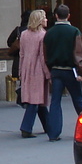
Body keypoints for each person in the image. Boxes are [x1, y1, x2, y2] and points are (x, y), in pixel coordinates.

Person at [43, 4, 82, 142]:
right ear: (68, 15)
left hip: (56, 69)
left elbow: (45, 54)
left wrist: (50, 69)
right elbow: (78, 53)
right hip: (71, 70)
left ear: (56, 16)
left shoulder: (49, 32)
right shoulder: (74, 31)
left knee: (55, 101)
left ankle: (53, 133)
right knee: (78, 100)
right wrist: (81, 71)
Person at [17, 9, 50, 138]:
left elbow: (22, 54)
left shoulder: (24, 34)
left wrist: (20, 71)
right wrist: (48, 73)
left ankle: (48, 126)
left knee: (37, 99)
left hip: (26, 68)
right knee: (35, 100)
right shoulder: (43, 35)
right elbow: (42, 57)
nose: (46, 20)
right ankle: (26, 127)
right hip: (37, 69)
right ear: (39, 20)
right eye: (44, 17)